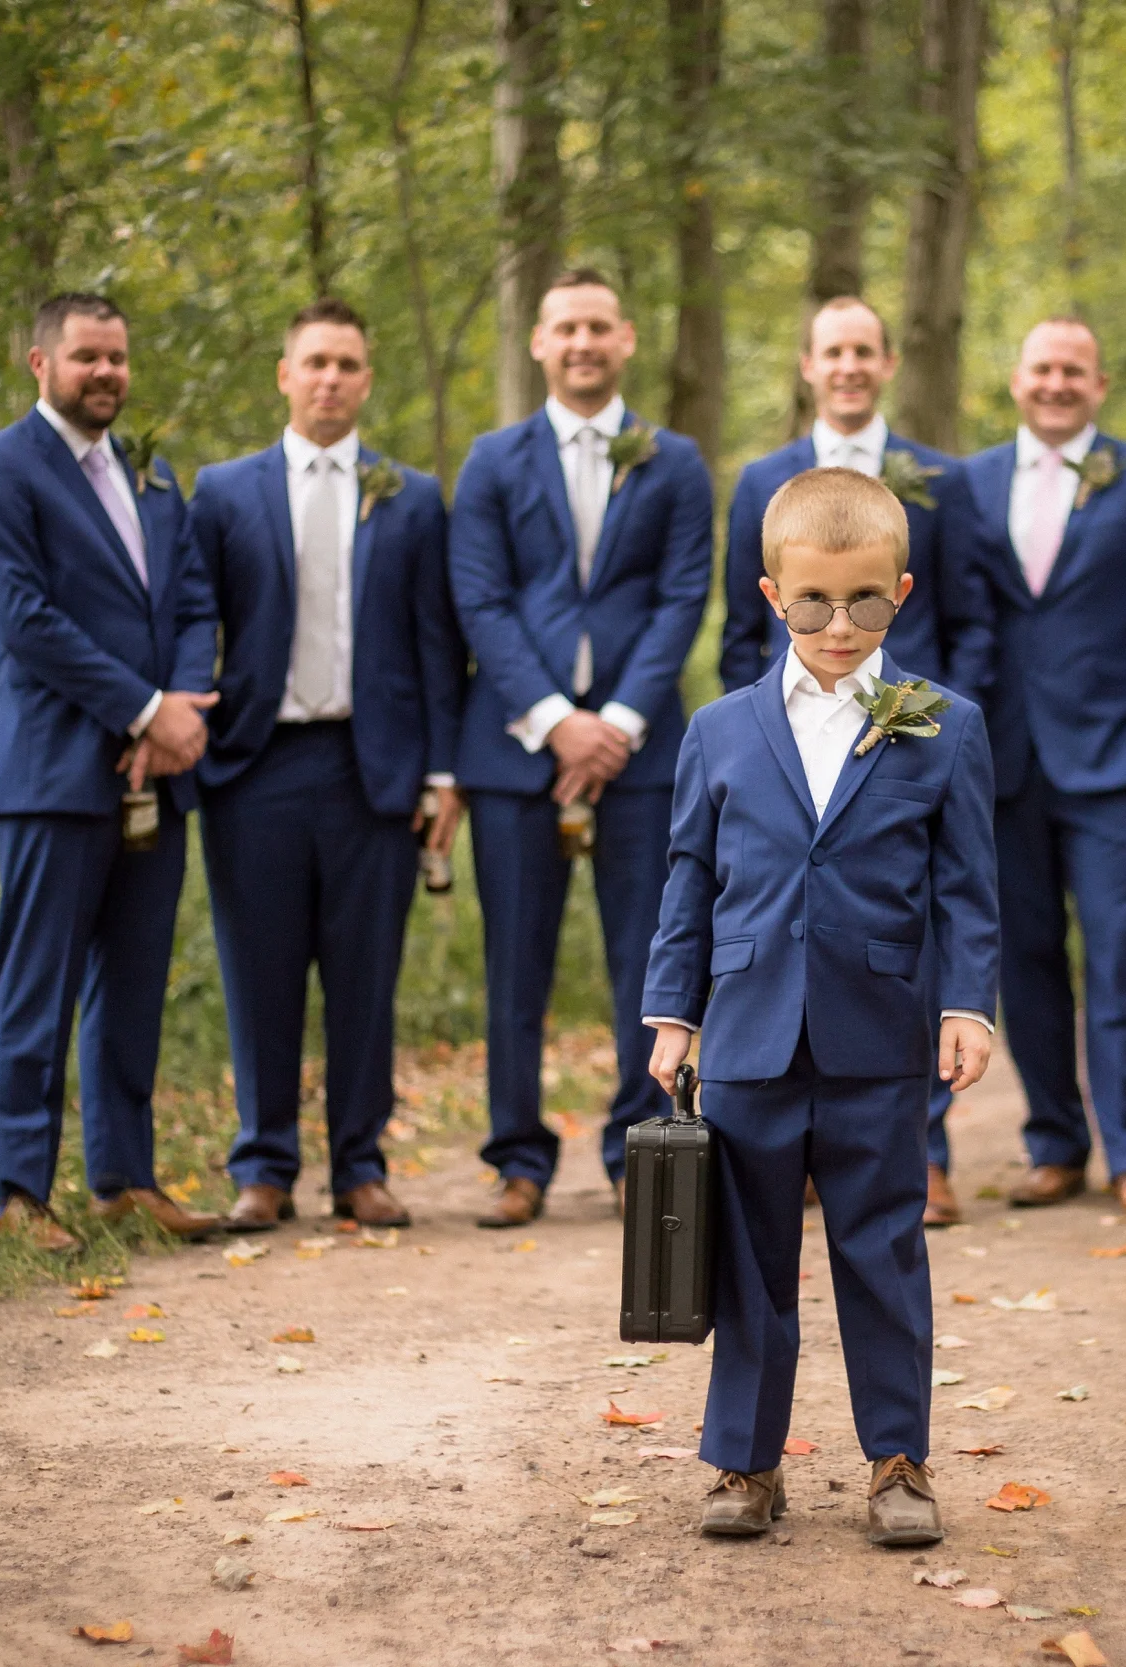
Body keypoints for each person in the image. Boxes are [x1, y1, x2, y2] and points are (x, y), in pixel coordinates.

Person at [642, 467, 1000, 1548]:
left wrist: (966, 1004)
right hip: (748, 1033)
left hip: (878, 1032)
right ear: (770, 595)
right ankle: (746, 1460)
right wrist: (673, 1011)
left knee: (882, 1247)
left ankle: (898, 1459)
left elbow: (967, 888)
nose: (838, 626)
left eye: (864, 602)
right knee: (748, 1255)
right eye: (812, 603)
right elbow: (689, 879)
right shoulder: (717, 729)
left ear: (902, 592)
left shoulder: (944, 725)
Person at [0, 293, 224, 1253]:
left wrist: (178, 714)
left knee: (134, 986)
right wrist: (145, 710)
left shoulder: (154, 475)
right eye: (86, 357)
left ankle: (123, 1178)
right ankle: (21, 1193)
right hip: (53, 770)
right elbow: (24, 617)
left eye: (117, 356)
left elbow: (191, 603)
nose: (106, 372)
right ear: (40, 362)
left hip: (156, 775)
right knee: (37, 986)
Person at [716, 294, 997, 1226]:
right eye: (831, 350)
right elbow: (740, 629)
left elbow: (969, 617)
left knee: (902, 938)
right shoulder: (760, 481)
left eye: (862, 350)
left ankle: (924, 1151)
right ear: (808, 364)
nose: (846, 365)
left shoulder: (940, 478)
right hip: (792, 735)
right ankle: (800, 1145)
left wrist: (928, 724)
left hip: (905, 729)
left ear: (886, 363)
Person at [185, 298, 465, 1233]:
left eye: (347, 364)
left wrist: (443, 772)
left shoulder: (411, 495)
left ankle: (360, 1164)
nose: (331, 379)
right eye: (315, 362)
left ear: (367, 380)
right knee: (258, 974)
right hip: (254, 764)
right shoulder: (224, 492)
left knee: (364, 978)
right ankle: (264, 1167)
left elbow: (438, 643)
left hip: (371, 768)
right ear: (285, 374)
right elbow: (193, 620)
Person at [449, 269, 713, 1229]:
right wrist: (559, 719)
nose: (583, 342)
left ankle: (637, 1152)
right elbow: (480, 599)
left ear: (626, 338)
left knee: (650, 964)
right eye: (566, 327)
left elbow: (683, 596)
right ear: (539, 342)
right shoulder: (492, 461)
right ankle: (518, 1159)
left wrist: (621, 723)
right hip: (517, 753)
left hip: (644, 755)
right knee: (515, 965)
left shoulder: (675, 462)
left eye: (599, 326)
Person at [960, 318, 1126, 1221]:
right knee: (1024, 963)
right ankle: (1055, 1144)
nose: (1057, 383)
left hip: (1121, 761)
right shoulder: (969, 483)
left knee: (1121, 959)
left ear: (1099, 384)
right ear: (1016, 380)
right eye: (1043, 368)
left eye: (1074, 370)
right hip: (1003, 766)